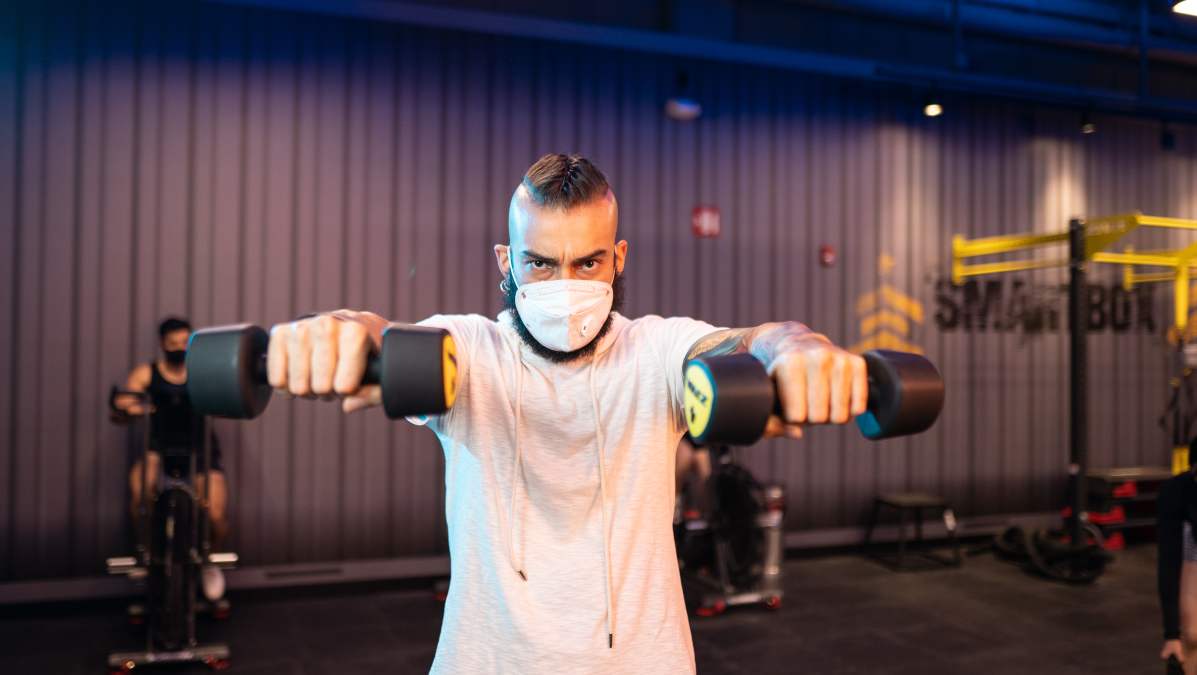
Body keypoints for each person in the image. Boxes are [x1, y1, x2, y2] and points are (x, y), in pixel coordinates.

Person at [266, 154, 867, 673]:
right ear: (506, 261)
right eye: (540, 264)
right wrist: (336, 331)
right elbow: (379, 335)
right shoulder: (468, 350)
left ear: (619, 258)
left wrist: (794, 345)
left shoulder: (656, 351)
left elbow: (745, 342)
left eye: (587, 263)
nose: (565, 285)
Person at [112, 317, 229, 602]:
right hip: (158, 448)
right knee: (141, 496)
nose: (179, 348)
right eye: (173, 343)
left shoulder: (202, 371)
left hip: (199, 448)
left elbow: (229, 395)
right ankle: (149, 557)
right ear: (163, 344)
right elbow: (122, 405)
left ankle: (206, 561)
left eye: (184, 342)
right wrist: (128, 408)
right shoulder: (147, 373)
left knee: (214, 514)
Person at [1161, 437, 1197, 674]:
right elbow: (1168, 562)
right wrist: (1171, 633)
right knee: (1193, 635)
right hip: (1192, 549)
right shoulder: (1175, 492)